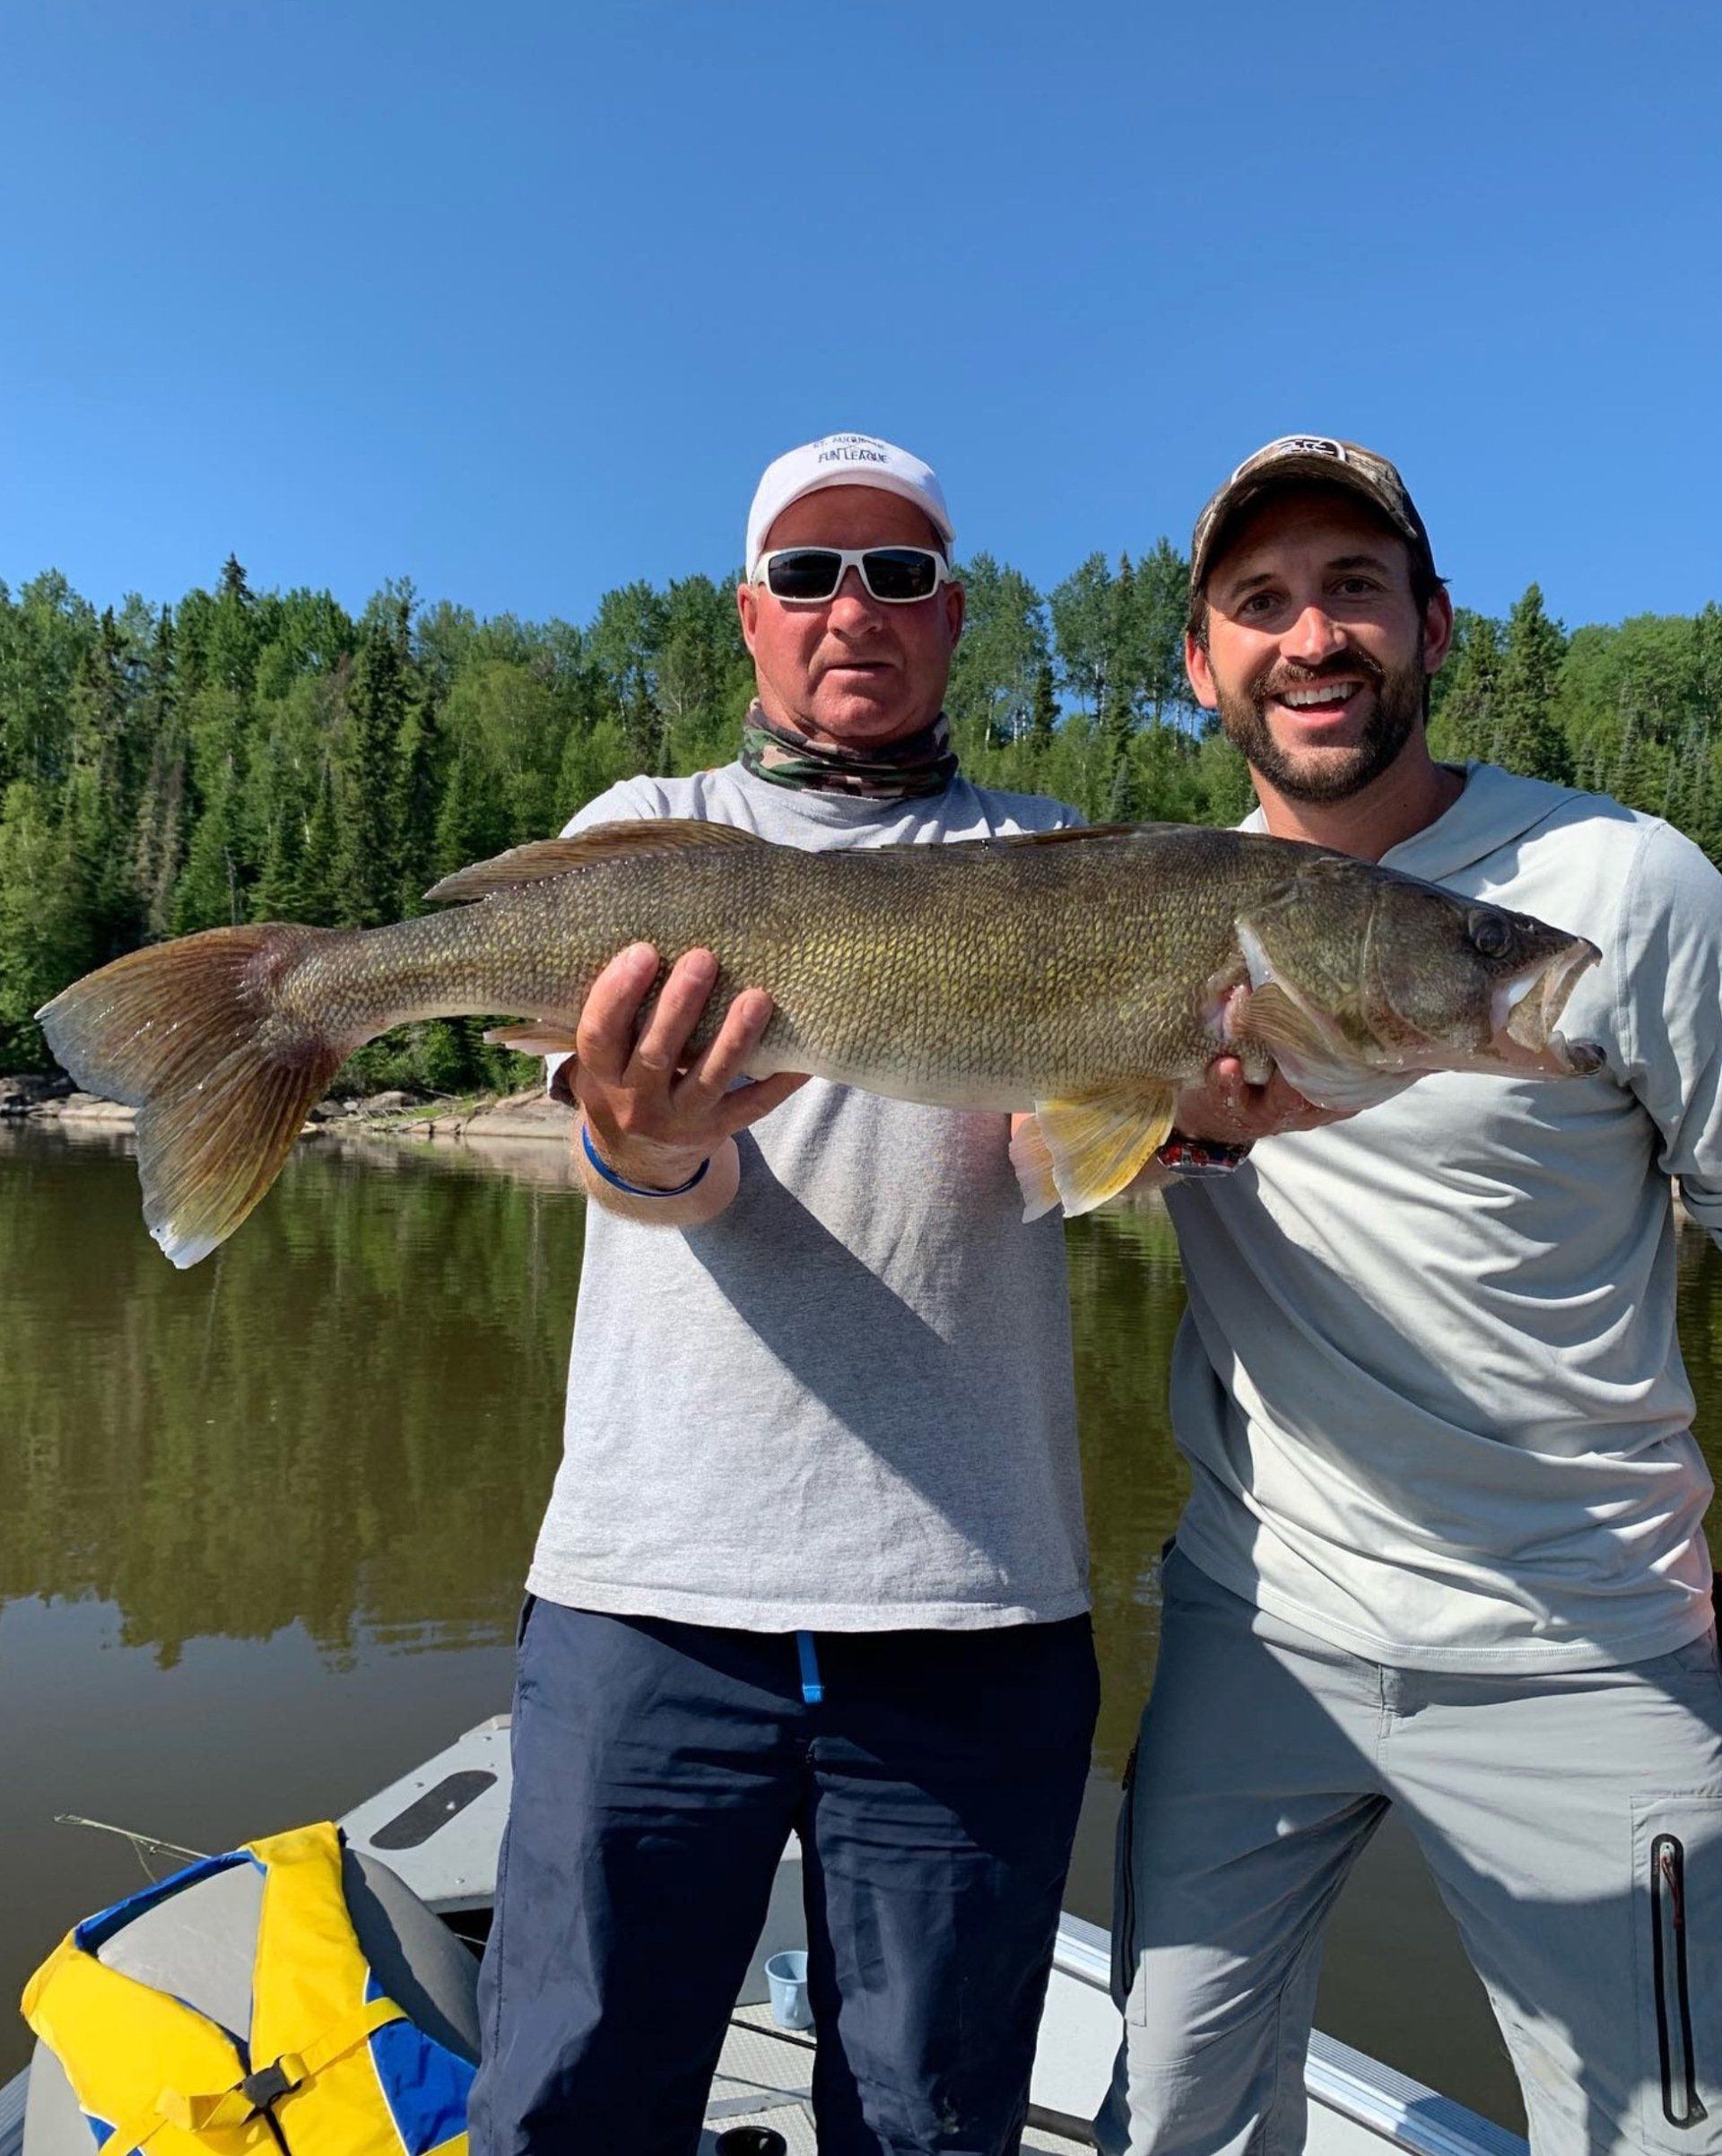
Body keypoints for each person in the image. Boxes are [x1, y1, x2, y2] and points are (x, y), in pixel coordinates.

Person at [469, 432, 1100, 2156]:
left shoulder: (1058, 858)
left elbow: (1068, 1160)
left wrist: (1195, 1127)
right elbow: (640, 1167)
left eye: (898, 575)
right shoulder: (649, 838)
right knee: (573, 2105)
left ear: (952, 616)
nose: (854, 609)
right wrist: (653, 1141)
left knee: (929, 2124)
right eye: (811, 573)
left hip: (973, 1606)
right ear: (750, 615)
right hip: (652, 1593)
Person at [1099, 435, 1722, 2156]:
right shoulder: (1152, 914)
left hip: (1586, 1641)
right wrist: (1174, 1133)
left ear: (1434, 627)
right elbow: (1033, 1169)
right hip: (1257, 1622)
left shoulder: (1622, 891)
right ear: (1204, 663)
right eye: (1263, 601)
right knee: (1174, 2118)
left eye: (1356, 589)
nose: (1315, 636)